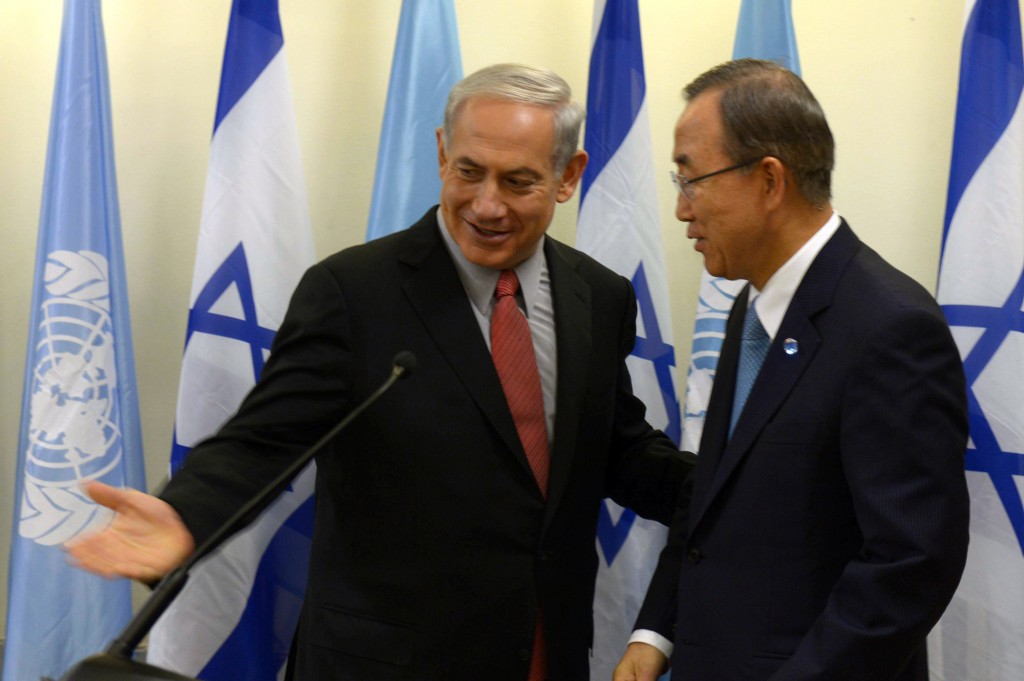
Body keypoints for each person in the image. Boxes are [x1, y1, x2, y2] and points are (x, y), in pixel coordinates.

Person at [68, 63, 692, 681]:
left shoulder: (599, 296)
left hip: (541, 650)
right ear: (443, 153)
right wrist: (186, 513)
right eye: (469, 171)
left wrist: (735, 491)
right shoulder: (354, 292)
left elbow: (615, 446)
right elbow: (267, 437)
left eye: (518, 181)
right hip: (385, 663)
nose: (487, 204)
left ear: (568, 176)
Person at [613, 59, 969, 681]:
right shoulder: (750, 307)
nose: (679, 209)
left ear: (769, 180)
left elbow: (911, 562)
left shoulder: (890, 326)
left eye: (691, 180)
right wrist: (656, 630)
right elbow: (712, 498)